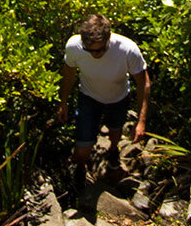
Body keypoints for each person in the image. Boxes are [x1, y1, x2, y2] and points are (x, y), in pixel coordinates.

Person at [57, 14, 150, 185]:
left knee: (116, 129)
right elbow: (69, 74)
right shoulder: (74, 46)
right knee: (82, 145)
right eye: (89, 50)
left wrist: (141, 120)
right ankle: (81, 167)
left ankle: (113, 150)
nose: (95, 55)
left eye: (99, 50)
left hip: (118, 98)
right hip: (88, 97)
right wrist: (63, 103)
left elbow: (143, 83)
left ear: (108, 39)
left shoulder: (127, 49)